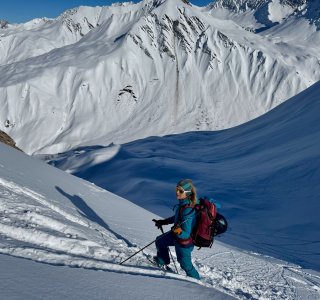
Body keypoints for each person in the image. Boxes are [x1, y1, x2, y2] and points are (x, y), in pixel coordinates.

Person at [153, 179, 201, 280]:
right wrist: (163, 222)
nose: (177, 192)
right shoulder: (183, 205)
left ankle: (198, 283)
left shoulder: (188, 209)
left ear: (187, 193)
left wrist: (177, 230)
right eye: (176, 189)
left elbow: (186, 234)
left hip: (184, 242)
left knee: (185, 265)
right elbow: (176, 218)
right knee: (160, 241)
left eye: (180, 191)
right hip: (176, 235)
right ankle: (162, 262)